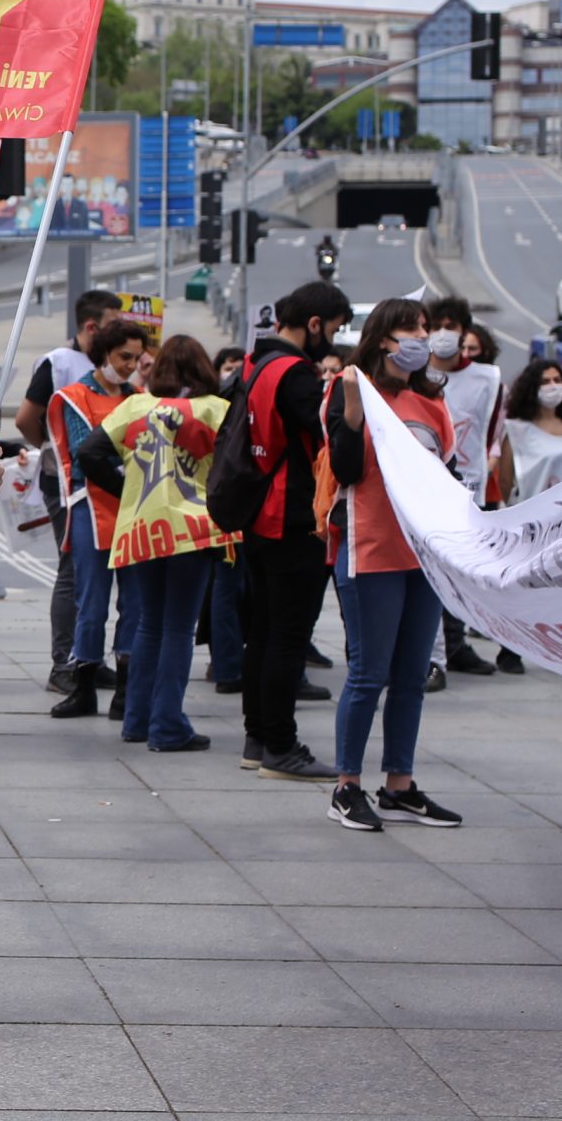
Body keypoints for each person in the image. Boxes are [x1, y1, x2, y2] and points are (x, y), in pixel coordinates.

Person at [321, 298, 462, 834]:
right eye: (412, 328)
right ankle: (346, 786)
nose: (423, 337)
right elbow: (346, 469)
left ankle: (399, 786)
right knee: (368, 674)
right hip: (372, 549)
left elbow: (446, 474)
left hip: (422, 554)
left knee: (411, 677)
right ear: (383, 337)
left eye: (425, 328)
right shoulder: (351, 390)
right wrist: (355, 410)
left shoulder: (432, 401)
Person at [75, 334, 230, 752]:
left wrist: (125, 488)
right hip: (192, 530)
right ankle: (168, 726)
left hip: (141, 526)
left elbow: (89, 453)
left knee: (148, 624)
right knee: (178, 628)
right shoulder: (215, 410)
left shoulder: (136, 406)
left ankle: (137, 720)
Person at [236, 282, 348, 780]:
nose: (333, 340)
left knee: (263, 633)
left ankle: (258, 738)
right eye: (334, 330)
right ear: (315, 324)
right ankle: (281, 746)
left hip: (259, 514)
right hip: (293, 516)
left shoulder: (258, 365)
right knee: (288, 636)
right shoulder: (297, 374)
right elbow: (329, 435)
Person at [17, 289, 121, 694]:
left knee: (97, 573)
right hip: (66, 483)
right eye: (114, 325)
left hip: (106, 483)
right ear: (92, 327)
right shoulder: (59, 363)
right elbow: (27, 418)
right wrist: (54, 447)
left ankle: (89, 658)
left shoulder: (115, 368)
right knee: (73, 569)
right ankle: (64, 663)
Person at [48, 317, 149, 720]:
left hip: (134, 509)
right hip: (91, 505)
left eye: (137, 358)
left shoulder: (139, 397)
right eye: (125, 356)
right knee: (91, 604)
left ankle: (125, 691)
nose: (131, 365)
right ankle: (84, 688)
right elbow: (84, 453)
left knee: (135, 603)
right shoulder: (74, 397)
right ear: (103, 352)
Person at [426, 306, 507, 683]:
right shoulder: (416, 375)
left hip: (468, 486)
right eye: (436, 326)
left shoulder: (488, 378)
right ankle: (434, 653)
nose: (443, 332)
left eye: (451, 326)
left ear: (463, 331)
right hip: (426, 487)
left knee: (460, 573)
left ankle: (455, 643)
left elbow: (490, 434)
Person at [501, 358, 562, 500]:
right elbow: (505, 481)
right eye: (545, 382)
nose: (553, 386)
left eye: (557, 380)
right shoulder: (517, 431)